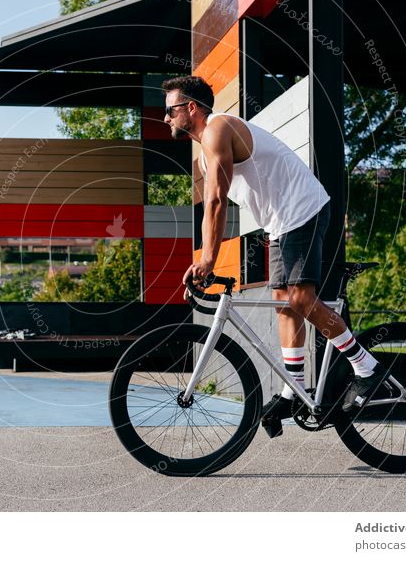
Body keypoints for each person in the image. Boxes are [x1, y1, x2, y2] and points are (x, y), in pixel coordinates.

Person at [163, 75, 385, 425]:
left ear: (191, 107)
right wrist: (204, 256)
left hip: (302, 209)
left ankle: (367, 367)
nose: (166, 118)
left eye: (170, 110)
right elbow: (210, 209)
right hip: (280, 224)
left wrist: (209, 259)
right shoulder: (205, 156)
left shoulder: (218, 128)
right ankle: (292, 392)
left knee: (299, 298)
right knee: (285, 305)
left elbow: (220, 201)